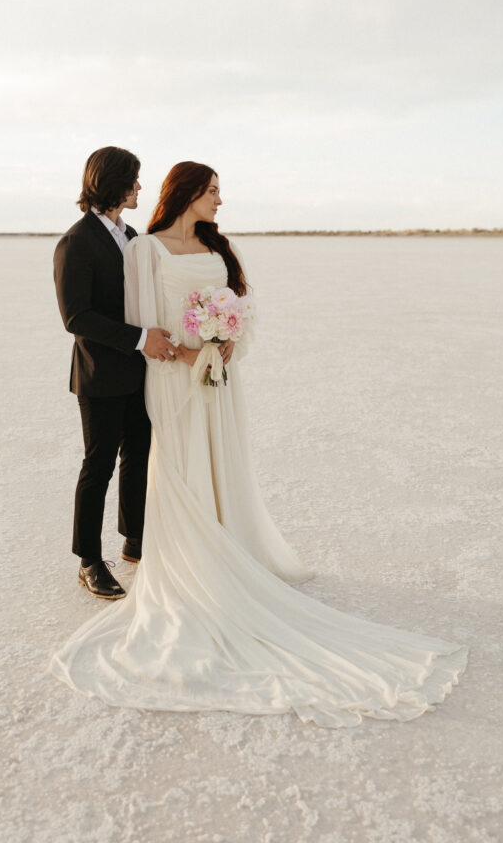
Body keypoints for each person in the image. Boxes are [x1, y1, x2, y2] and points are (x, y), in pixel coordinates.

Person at [49, 162, 468, 726]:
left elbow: (233, 305)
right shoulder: (101, 243)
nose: (221, 199)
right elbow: (109, 316)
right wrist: (182, 350)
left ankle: (147, 542)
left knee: (171, 461)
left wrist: (226, 339)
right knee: (110, 460)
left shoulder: (149, 238)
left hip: (211, 376)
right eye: (213, 190)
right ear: (187, 193)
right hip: (140, 372)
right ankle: (90, 557)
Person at [53, 146, 178, 600]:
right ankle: (88, 560)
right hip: (99, 374)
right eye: (135, 179)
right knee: (98, 464)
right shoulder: (76, 242)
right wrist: (142, 338)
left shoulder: (134, 237)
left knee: (139, 456)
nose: (141, 187)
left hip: (138, 372)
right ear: (115, 184)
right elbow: (76, 317)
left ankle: (135, 540)